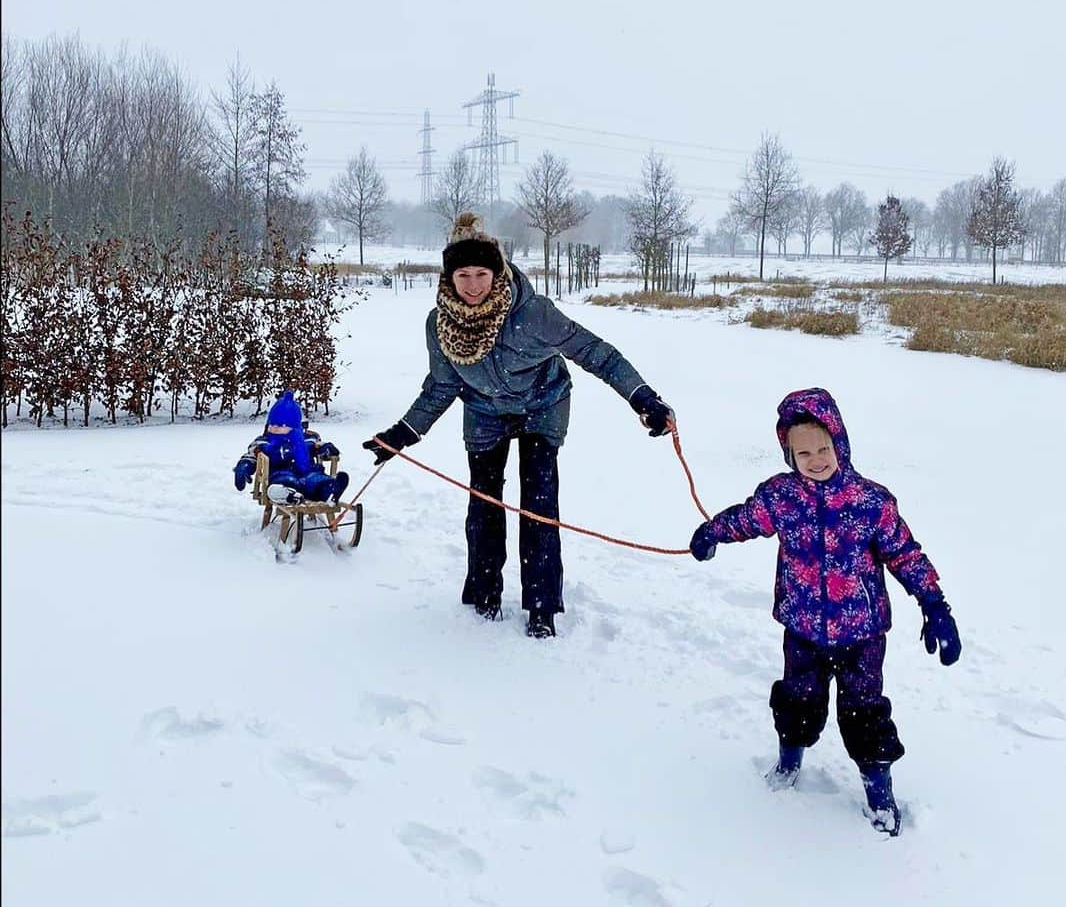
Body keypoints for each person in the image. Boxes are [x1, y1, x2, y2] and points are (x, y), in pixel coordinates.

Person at [364, 212, 674, 639]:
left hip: (542, 406)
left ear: (498, 271)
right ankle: (484, 591)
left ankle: (542, 605)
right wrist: (401, 434)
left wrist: (643, 397)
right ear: (449, 278)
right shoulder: (439, 327)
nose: (473, 285)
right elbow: (441, 386)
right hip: (484, 412)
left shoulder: (533, 316)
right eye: (463, 275)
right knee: (484, 503)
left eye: (482, 273)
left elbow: (597, 354)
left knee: (538, 503)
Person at [687, 387, 961, 837]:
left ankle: (879, 791)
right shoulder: (781, 497)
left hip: (862, 634)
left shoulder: (870, 502)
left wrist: (935, 605)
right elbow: (747, 518)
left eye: (824, 448)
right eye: (803, 452)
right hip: (802, 629)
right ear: (788, 454)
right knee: (798, 702)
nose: (815, 459)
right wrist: (712, 532)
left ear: (840, 444)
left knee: (864, 714)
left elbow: (905, 554)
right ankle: (788, 765)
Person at [233, 389, 349, 505]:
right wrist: (243, 467)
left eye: (280, 426)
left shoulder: (308, 439)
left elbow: (319, 447)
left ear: (294, 426)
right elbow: (252, 456)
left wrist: (327, 448)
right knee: (285, 483)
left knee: (318, 481)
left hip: (309, 473)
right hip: (281, 474)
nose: (274, 428)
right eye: (272, 424)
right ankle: (287, 495)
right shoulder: (264, 442)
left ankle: (331, 491)